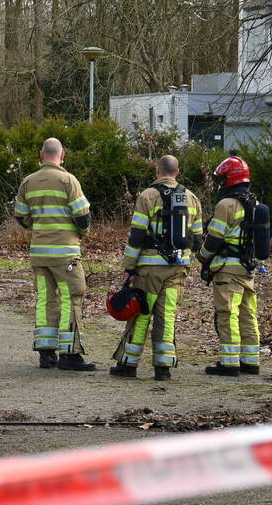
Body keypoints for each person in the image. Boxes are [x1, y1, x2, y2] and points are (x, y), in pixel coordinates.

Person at [110, 155, 203, 381]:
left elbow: (137, 235)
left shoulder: (147, 196)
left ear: (157, 171)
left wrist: (129, 266)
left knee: (142, 313)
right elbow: (198, 239)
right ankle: (163, 367)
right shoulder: (192, 199)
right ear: (177, 172)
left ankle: (129, 364)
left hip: (150, 269)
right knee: (167, 314)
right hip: (178, 268)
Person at [13, 138, 94, 371]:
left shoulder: (28, 182)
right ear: (63, 155)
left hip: (39, 254)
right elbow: (82, 216)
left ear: (41, 154)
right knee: (72, 297)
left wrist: (38, 228)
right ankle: (70, 354)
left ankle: (46, 354)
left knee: (45, 299)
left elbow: (21, 216)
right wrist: (81, 233)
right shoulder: (68, 180)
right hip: (65, 254)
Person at [197, 153, 260, 377]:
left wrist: (202, 257)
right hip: (247, 268)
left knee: (227, 314)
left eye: (221, 179)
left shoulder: (226, 204)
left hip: (227, 269)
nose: (219, 184)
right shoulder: (254, 202)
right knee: (247, 314)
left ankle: (229, 362)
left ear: (229, 179)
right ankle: (250, 361)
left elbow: (214, 239)